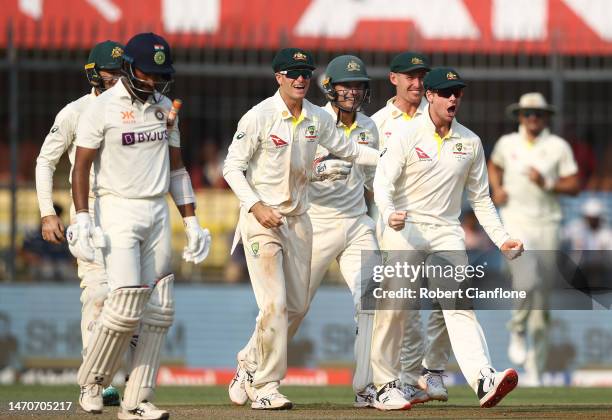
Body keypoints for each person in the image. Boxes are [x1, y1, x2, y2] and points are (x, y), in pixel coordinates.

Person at [223, 48, 379, 410]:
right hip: (262, 220)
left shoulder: (315, 119)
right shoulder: (259, 117)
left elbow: (351, 150)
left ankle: (248, 364)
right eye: (292, 73)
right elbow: (232, 168)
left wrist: (390, 160)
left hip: (299, 221)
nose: (299, 79)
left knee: (295, 306)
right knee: (275, 303)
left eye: (305, 73)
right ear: (278, 77)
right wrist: (256, 206)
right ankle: (265, 387)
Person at [70, 32, 211, 419]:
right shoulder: (101, 109)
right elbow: (80, 167)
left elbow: (177, 167)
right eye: (146, 73)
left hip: (157, 212)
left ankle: (137, 400)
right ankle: (93, 383)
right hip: (117, 208)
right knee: (127, 302)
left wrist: (193, 221)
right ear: (130, 68)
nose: (153, 81)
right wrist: (82, 218)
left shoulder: (166, 107)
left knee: (161, 308)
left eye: (159, 74)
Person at [372, 67, 524, 410]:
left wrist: (501, 239)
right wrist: (388, 212)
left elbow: (481, 198)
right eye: (445, 92)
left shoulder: (469, 142)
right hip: (404, 228)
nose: (453, 98)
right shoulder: (406, 134)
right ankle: (384, 385)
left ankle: (483, 379)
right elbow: (383, 182)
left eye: (457, 92)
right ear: (430, 96)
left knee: (459, 307)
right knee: (395, 309)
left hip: (446, 233)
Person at [34, 40, 125, 406]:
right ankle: (93, 382)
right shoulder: (75, 111)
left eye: (123, 72)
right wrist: (46, 212)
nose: (119, 79)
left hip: (127, 216)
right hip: (87, 217)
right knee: (98, 297)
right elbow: (46, 161)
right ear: (94, 74)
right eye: (111, 73)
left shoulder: (135, 110)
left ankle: (123, 378)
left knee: (129, 301)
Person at [302, 54, 380, 407]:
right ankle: (250, 367)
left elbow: (374, 182)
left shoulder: (369, 128)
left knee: (372, 300)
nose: (352, 91)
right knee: (291, 306)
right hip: (316, 222)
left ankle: (366, 387)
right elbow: (291, 172)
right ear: (330, 88)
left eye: (358, 85)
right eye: (346, 85)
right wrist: (318, 171)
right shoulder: (311, 122)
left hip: (357, 223)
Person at [488, 92, 580, 386]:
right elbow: (494, 165)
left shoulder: (557, 146)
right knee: (526, 279)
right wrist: (497, 188)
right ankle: (516, 327)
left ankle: (537, 369)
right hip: (515, 220)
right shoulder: (507, 143)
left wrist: (548, 182)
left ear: (545, 117)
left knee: (541, 304)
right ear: (519, 116)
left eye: (537, 114)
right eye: (527, 114)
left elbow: (574, 184)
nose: (532, 118)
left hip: (548, 223)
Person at [371, 52, 447, 404]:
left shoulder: (436, 117)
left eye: (421, 77)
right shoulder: (377, 123)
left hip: (434, 224)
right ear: (394, 79)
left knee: (450, 297)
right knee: (401, 307)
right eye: (409, 77)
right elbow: (367, 178)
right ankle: (389, 381)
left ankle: (418, 374)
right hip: (392, 227)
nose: (417, 84)